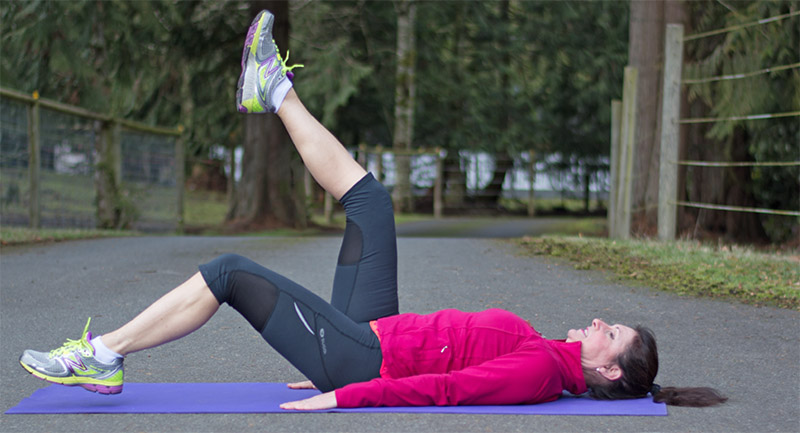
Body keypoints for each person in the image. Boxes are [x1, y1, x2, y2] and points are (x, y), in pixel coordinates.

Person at [19, 10, 727, 410]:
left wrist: (345, 394)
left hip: (365, 356)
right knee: (371, 199)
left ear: (605, 371)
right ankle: (272, 89)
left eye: (612, 334)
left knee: (230, 270)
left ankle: (102, 355)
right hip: (372, 332)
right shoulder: (546, 348)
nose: (601, 321)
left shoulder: (543, 372)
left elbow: (449, 388)